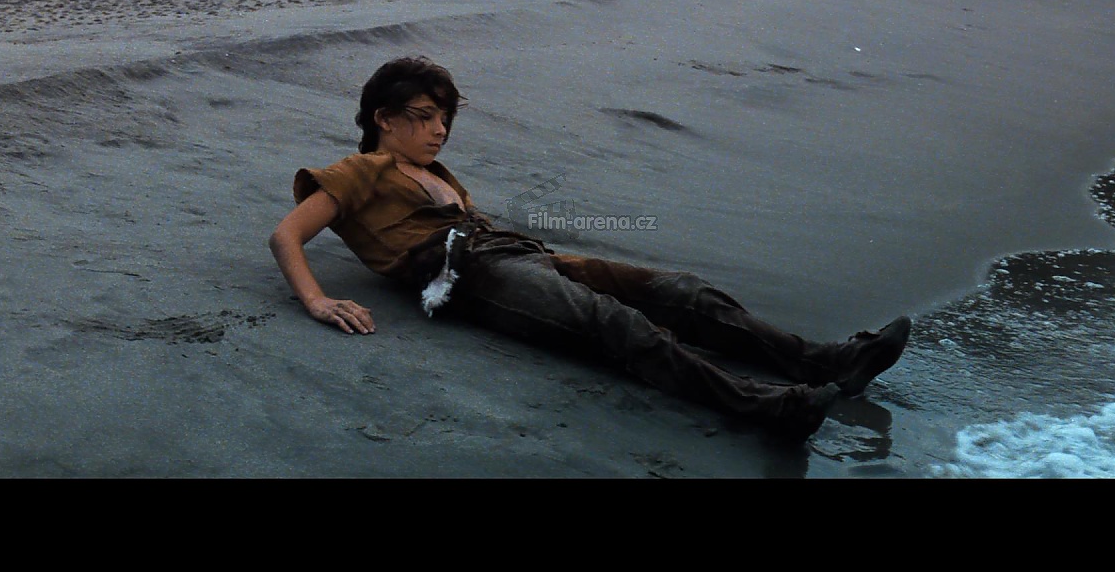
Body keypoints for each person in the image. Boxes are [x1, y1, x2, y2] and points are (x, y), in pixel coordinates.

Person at [269, 56, 911, 443]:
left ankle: (826, 361)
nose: (439, 129)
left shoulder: (436, 173)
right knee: (616, 324)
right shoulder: (360, 169)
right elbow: (287, 234)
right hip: (467, 275)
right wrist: (318, 300)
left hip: (517, 254)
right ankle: (769, 407)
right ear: (384, 118)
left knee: (681, 293)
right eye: (424, 116)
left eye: (445, 118)